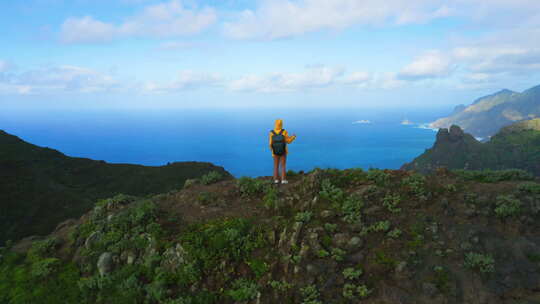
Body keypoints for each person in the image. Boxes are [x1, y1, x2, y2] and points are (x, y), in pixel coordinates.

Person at [269, 119, 297, 184]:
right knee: (283, 165)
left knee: (275, 166)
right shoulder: (284, 132)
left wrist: (273, 151)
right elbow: (288, 141)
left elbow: (270, 144)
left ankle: (276, 180)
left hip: (275, 152)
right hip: (283, 151)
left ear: (275, 124)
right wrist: (293, 137)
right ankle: (283, 180)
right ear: (281, 124)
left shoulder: (271, 132)